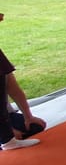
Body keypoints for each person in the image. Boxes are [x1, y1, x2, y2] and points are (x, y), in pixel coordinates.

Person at [1, 13, 46, 151]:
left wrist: (28, 116)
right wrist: (7, 134)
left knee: (35, 126)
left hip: (5, 115)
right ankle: (6, 141)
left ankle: (6, 138)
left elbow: (14, 89)